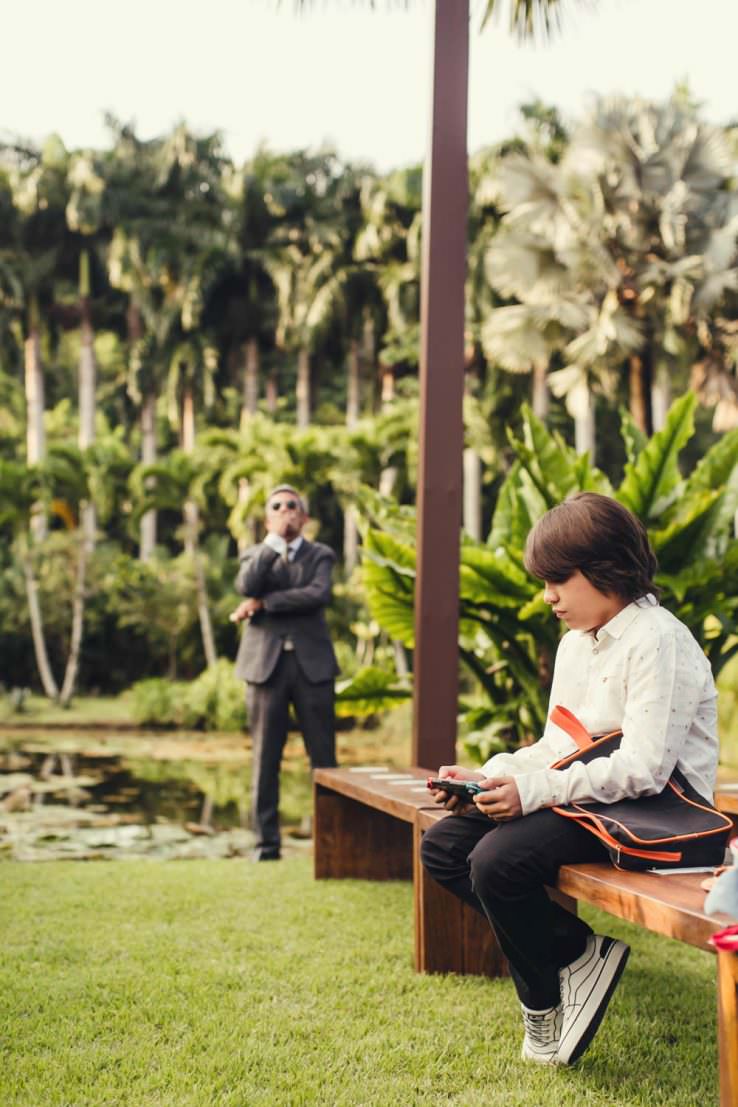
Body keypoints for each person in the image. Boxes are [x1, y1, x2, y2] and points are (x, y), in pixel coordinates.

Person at [421, 492, 721, 1066]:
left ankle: (540, 1004)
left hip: (655, 811)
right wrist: (489, 778)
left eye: (559, 579)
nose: (548, 596)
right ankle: (578, 953)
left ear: (608, 568)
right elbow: (558, 747)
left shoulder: (659, 638)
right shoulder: (575, 645)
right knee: (444, 845)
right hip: (588, 801)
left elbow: (644, 769)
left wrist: (533, 792)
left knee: (496, 862)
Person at [231, 484, 339, 861]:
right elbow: (246, 585)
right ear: (268, 518)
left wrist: (263, 603)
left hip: (313, 669)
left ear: (304, 516)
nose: (285, 510)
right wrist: (272, 544)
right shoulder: (254, 554)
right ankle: (266, 846)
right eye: (276, 506)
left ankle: (331, 846)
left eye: (292, 505)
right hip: (265, 669)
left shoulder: (321, 554)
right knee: (265, 759)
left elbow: (318, 594)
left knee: (323, 760)